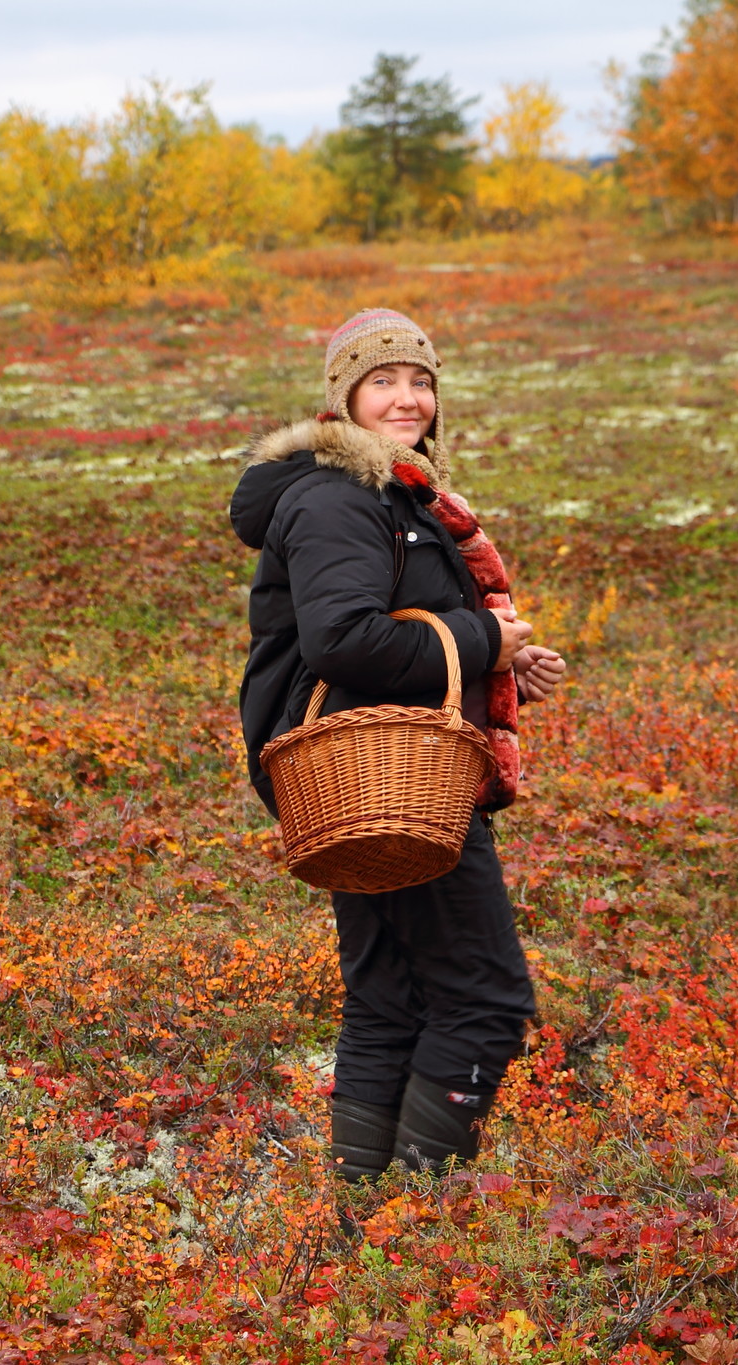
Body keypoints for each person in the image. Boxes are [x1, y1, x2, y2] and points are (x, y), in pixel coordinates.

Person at [229, 308, 566, 1180]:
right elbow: (344, 641)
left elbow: (385, 635)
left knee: (387, 996)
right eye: (383, 381)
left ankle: (357, 1214)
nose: (407, 398)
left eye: (421, 381)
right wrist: (484, 642)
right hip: (383, 767)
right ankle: (416, 1213)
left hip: (362, 768)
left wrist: (500, 667)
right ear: (342, 396)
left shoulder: (390, 493)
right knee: (486, 1000)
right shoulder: (341, 495)